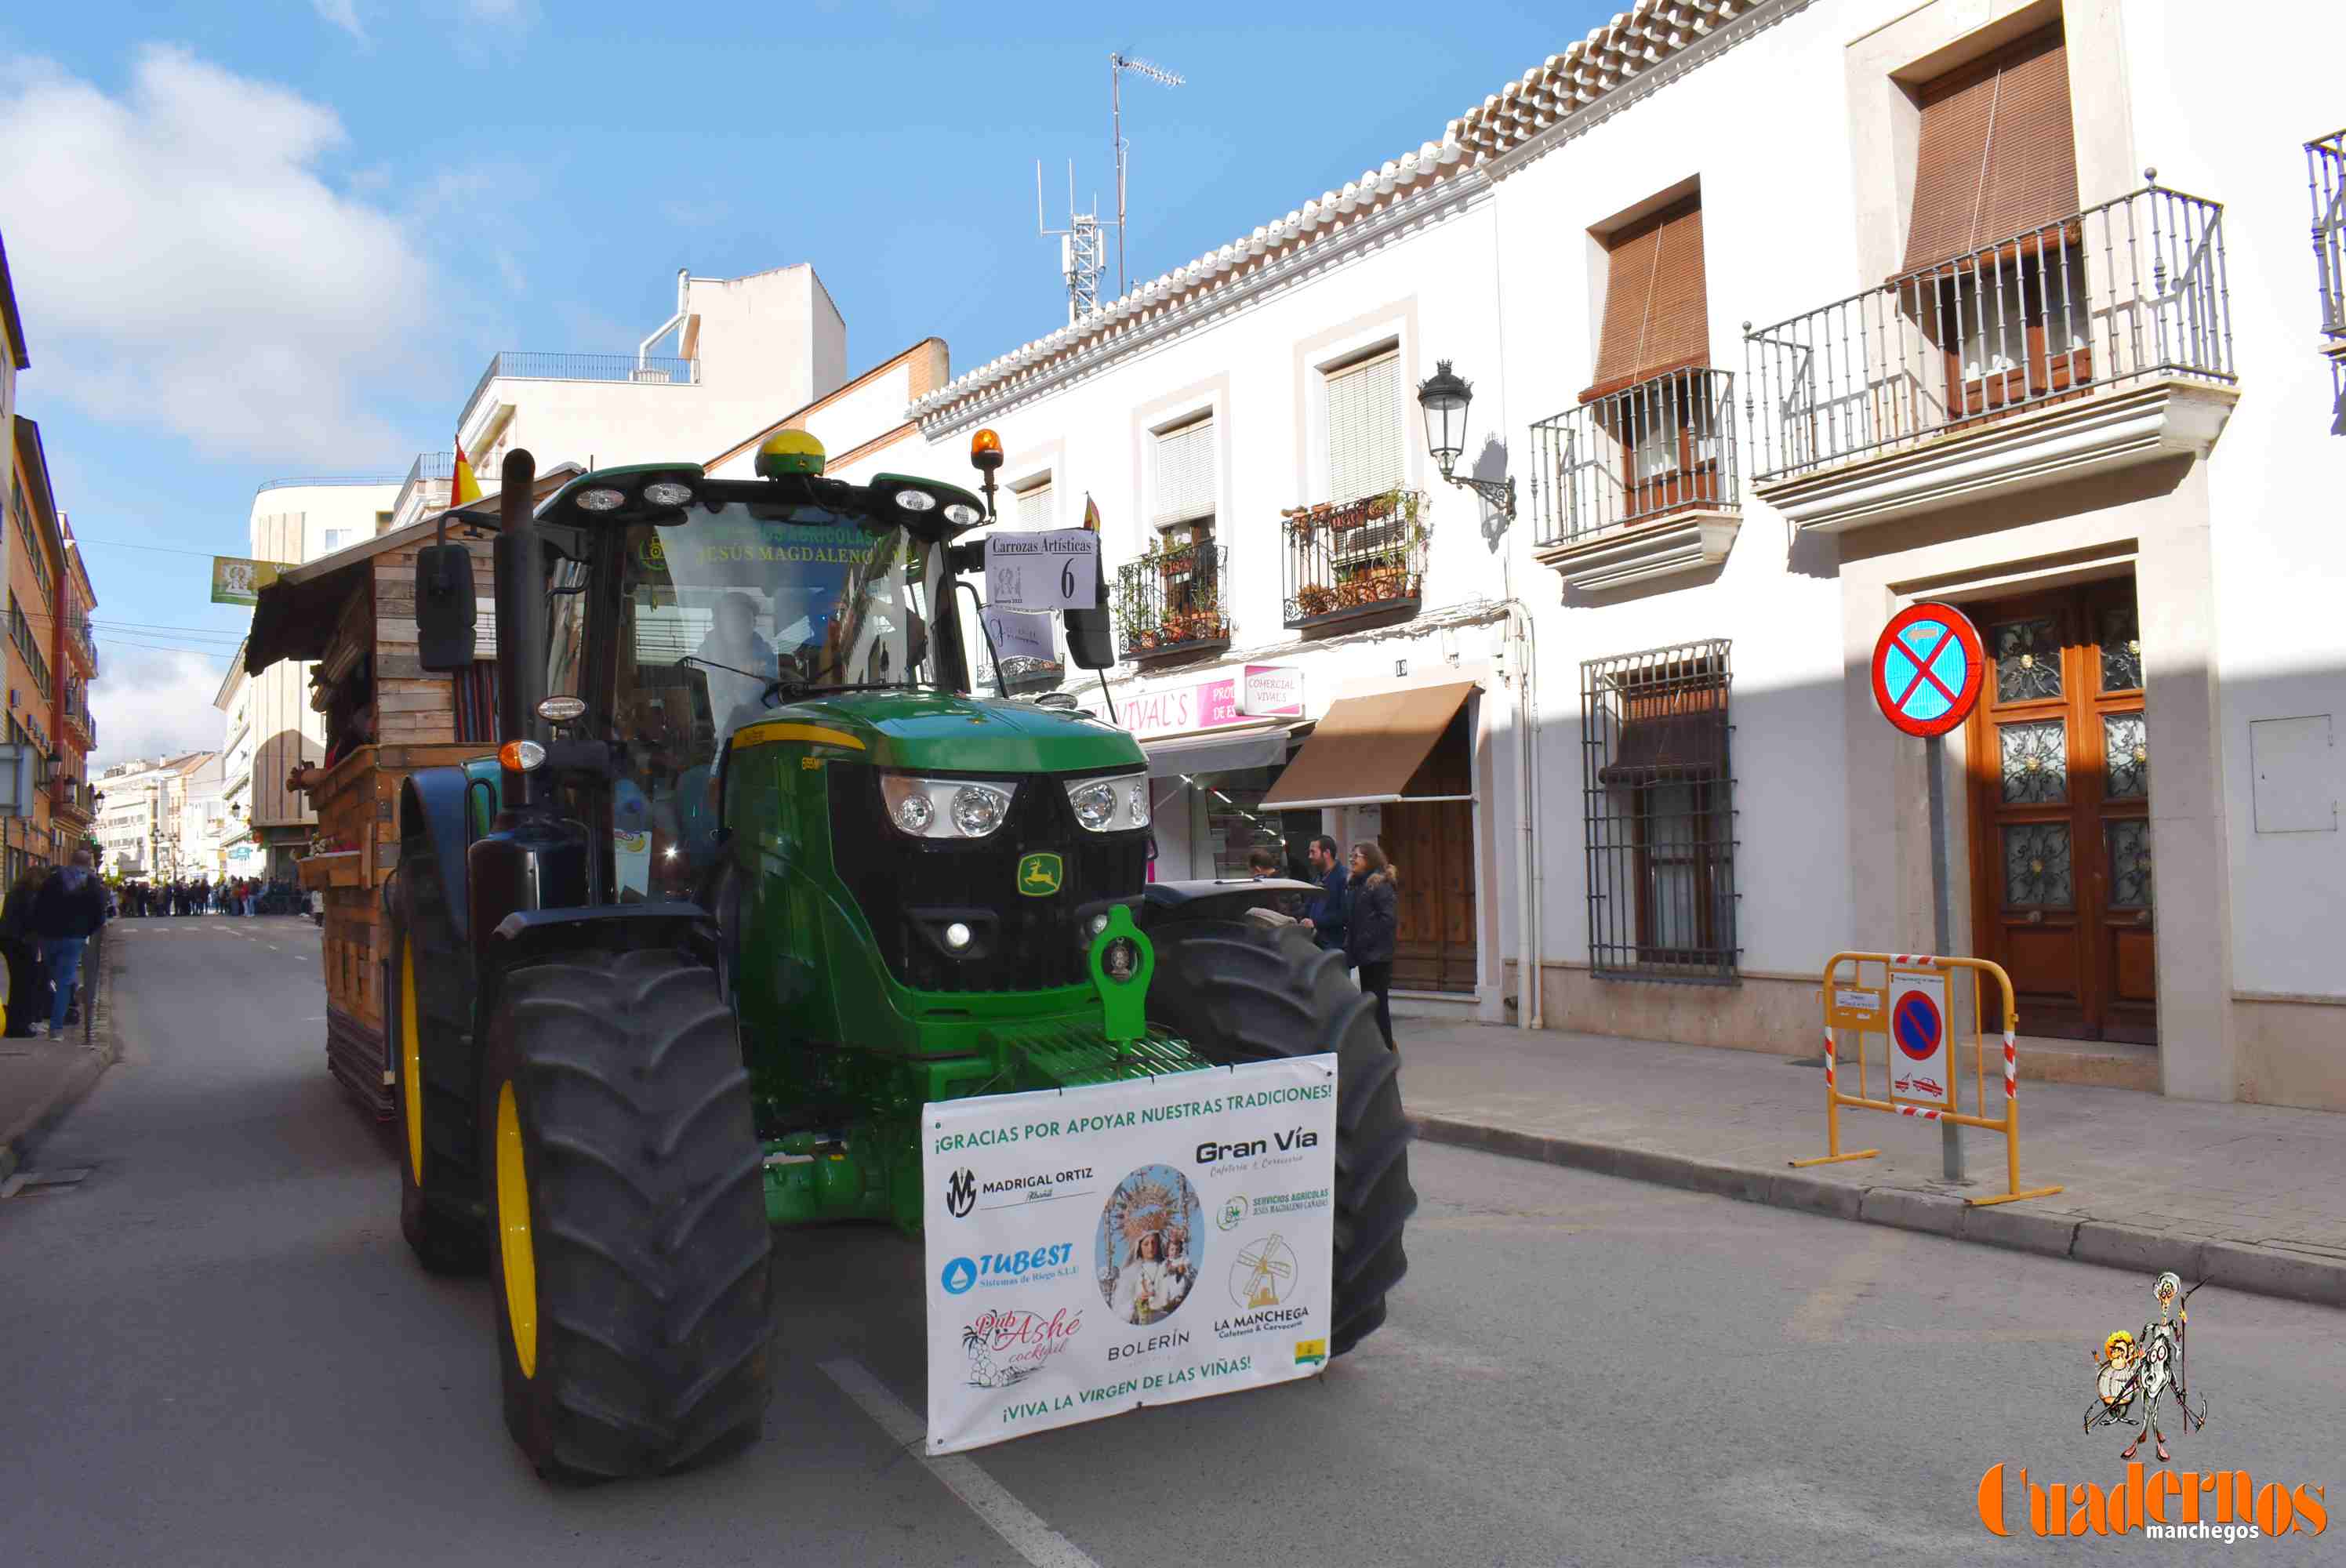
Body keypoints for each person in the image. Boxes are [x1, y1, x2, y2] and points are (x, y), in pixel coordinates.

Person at [31, 849, 106, 1039]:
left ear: (70, 860)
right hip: (74, 937)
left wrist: (39, 931)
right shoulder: (91, 882)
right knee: (64, 981)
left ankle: (68, 990)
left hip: (48, 937)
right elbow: (99, 912)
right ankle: (55, 1029)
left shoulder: (54, 879)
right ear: (89, 864)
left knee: (52, 975)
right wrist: (87, 931)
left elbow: (38, 907)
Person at [694, 592, 780, 738]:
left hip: (762, 737)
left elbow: (777, 708)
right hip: (716, 744)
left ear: (753, 623)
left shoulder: (769, 661)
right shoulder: (701, 664)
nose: (738, 624)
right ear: (718, 623)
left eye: (744, 618)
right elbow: (703, 716)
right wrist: (741, 689)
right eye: (731, 619)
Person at [1342, 841, 1399, 1048]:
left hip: (1377, 955)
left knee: (1378, 1005)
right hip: (1364, 954)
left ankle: (1384, 1048)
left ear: (1370, 859)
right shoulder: (1357, 885)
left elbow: (1388, 919)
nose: (1352, 860)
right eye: (1352, 855)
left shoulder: (1380, 885)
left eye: (1357, 856)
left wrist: (1366, 938)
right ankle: (1374, 1047)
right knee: (1369, 1004)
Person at [1, 865, 52, 1036]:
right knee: (25, 984)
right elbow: (31, 920)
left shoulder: (13, 892)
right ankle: (20, 1026)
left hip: (8, 941)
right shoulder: (29, 895)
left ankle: (15, 1024)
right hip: (22, 942)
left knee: (17, 983)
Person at [1298, 835, 1349, 953]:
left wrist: (1316, 922)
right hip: (1315, 944)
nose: (1309, 856)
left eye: (1313, 852)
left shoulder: (1343, 878)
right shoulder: (1318, 878)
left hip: (1334, 946)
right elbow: (1308, 905)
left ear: (1326, 853)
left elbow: (1345, 915)